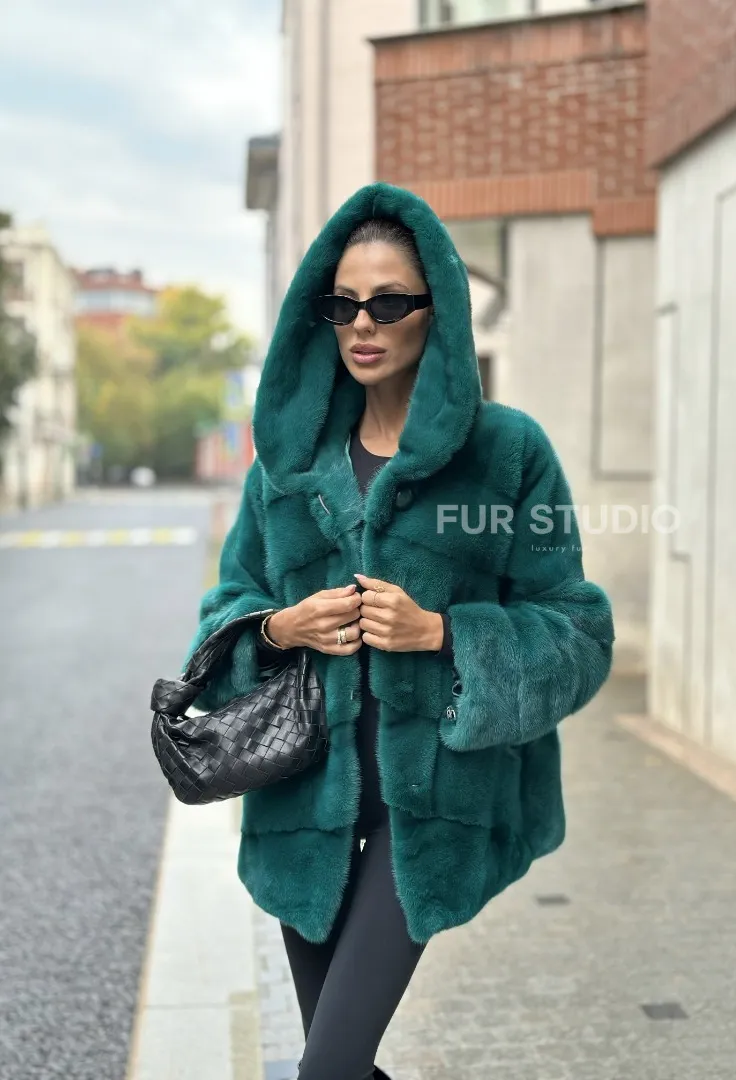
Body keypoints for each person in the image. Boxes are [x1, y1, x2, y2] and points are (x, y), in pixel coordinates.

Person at [184, 181, 615, 1080]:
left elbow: (577, 631)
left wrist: (445, 634)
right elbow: (222, 614)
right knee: (339, 1065)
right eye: (342, 304)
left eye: (387, 303)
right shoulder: (286, 469)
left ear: (435, 310)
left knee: (325, 1069)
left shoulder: (507, 453)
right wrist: (279, 627)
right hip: (301, 800)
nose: (362, 325)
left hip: (433, 808)